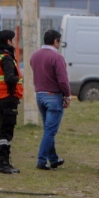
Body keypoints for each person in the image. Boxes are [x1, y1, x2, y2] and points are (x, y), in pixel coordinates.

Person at [30, 29, 71, 170]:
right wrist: (67, 95)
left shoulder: (34, 56)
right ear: (55, 41)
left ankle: (53, 159)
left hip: (39, 96)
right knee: (50, 131)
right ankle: (41, 160)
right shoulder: (57, 57)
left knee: (48, 128)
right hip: (53, 96)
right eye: (59, 42)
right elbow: (63, 80)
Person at [0, 29, 23, 174]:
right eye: (13, 40)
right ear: (8, 41)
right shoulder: (7, 58)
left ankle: (5, 162)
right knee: (6, 132)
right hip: (8, 99)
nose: (15, 42)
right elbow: (9, 78)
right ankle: (3, 163)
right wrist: (20, 79)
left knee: (5, 130)